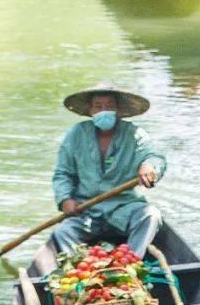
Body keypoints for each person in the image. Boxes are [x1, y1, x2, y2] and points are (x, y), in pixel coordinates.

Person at [51, 86, 165, 260]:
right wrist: (65, 199)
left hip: (124, 208)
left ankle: (130, 262)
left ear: (118, 110)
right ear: (91, 111)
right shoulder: (76, 134)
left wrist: (149, 167)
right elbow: (63, 173)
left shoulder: (134, 134)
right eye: (98, 106)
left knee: (151, 216)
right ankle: (79, 270)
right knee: (62, 232)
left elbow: (154, 156)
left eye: (109, 105)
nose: (103, 110)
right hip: (87, 210)